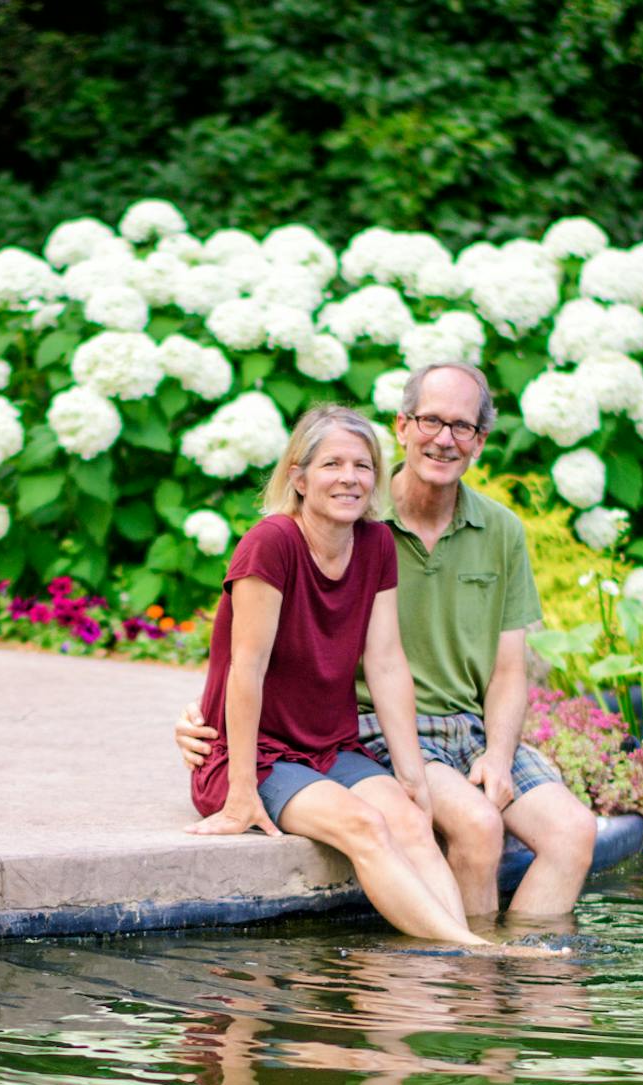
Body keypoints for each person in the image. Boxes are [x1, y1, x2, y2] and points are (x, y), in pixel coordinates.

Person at [181, 363, 598, 926]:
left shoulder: (487, 531)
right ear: (402, 425)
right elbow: (250, 657)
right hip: (372, 727)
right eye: (431, 420)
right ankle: (471, 977)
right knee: (475, 826)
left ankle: (512, 979)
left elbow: (502, 671)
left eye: (462, 427)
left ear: (480, 440)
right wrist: (209, 734)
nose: (444, 439)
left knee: (574, 831)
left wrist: (497, 757)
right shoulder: (344, 524)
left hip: (457, 731)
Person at [187, 403, 488, 948]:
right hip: (258, 755)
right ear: (298, 478)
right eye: (332, 465)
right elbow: (245, 670)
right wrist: (240, 791)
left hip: (331, 748)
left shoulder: (374, 545)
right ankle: (471, 952)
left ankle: (460, 949)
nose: (349, 478)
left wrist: (412, 775)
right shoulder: (271, 544)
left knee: (413, 822)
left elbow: (387, 661)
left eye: (363, 465)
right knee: (365, 826)